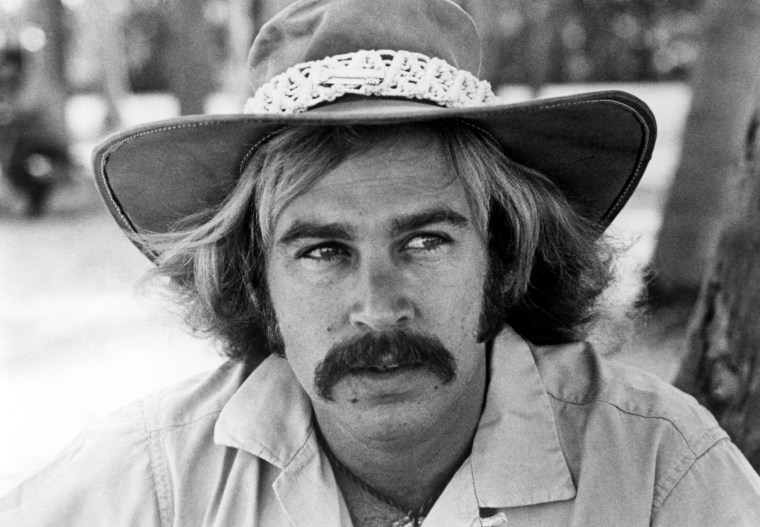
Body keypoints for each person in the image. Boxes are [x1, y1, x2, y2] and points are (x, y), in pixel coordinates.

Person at [3, 0, 760, 525]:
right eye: (323, 250)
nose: (377, 304)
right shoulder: (158, 480)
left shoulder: (660, 468)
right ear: (255, 282)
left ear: (503, 261)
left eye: (426, 241)